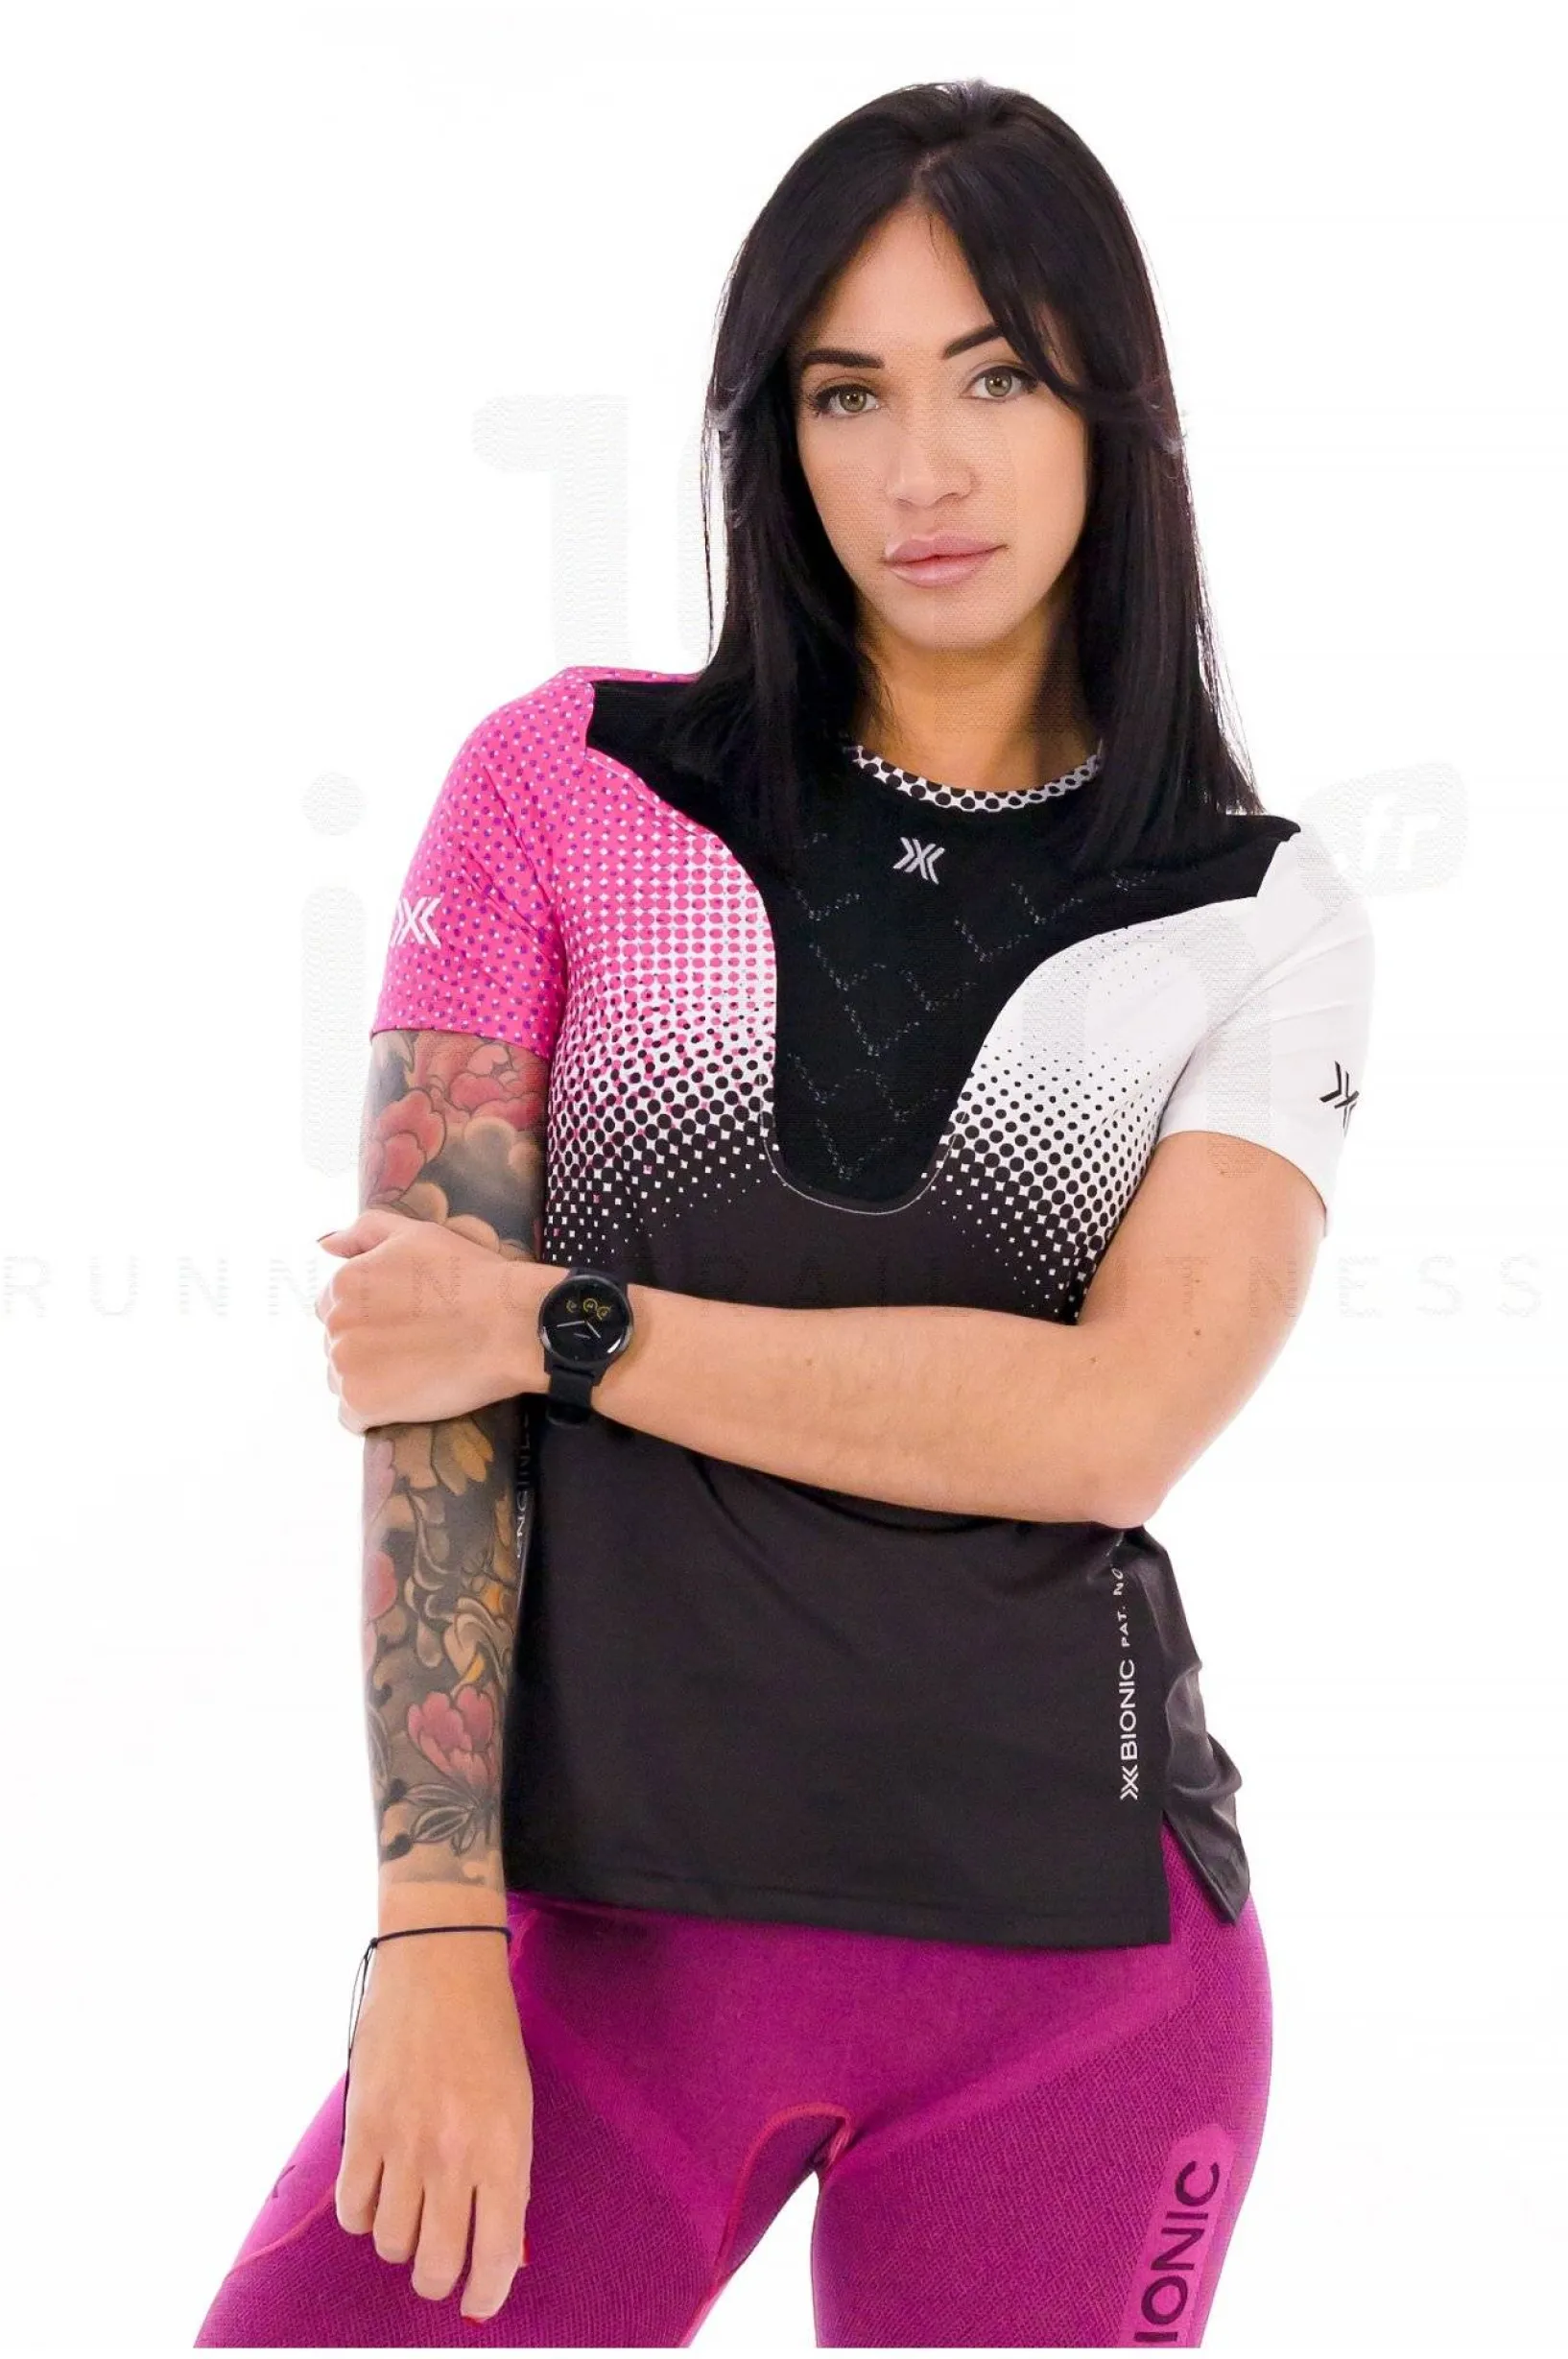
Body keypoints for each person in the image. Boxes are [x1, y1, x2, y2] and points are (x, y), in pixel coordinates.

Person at [194, 76, 1373, 2349]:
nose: (922, 468)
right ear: (774, 437)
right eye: (849, 392)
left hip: (1081, 1984)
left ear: (1112, 410)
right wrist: (431, 1931)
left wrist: (559, 1320)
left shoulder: (1255, 912)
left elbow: (1107, 1425)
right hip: (600, 1953)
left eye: (994, 378)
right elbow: (420, 1383)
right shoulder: (564, 786)